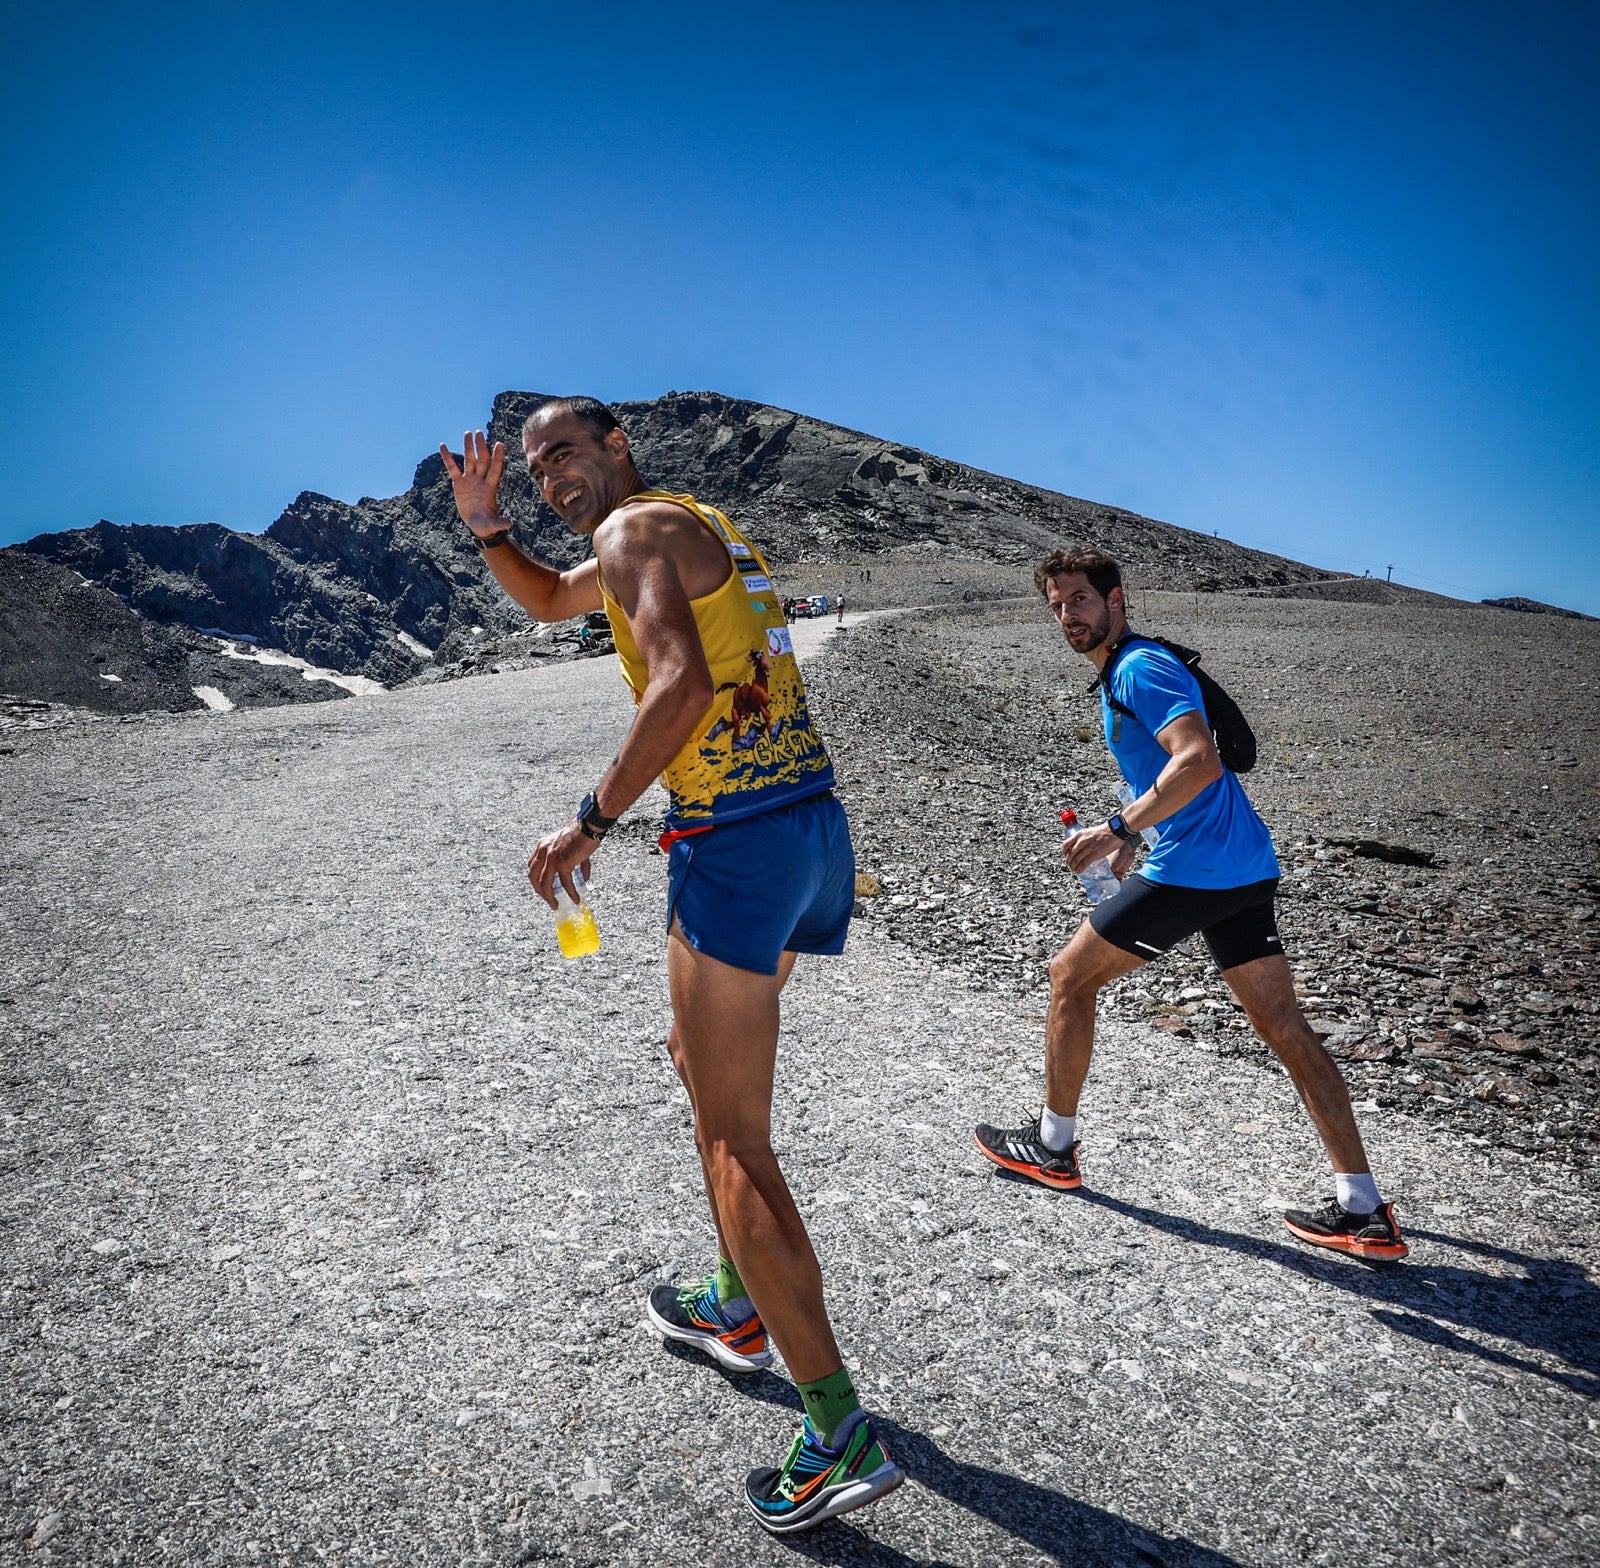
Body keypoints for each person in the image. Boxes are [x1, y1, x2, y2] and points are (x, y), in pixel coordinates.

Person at [439, 398, 903, 1532]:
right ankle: (735, 1302)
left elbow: (680, 685)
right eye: (537, 462)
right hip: (808, 830)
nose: (551, 473)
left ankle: (836, 1424)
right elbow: (552, 599)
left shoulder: (632, 530)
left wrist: (588, 821)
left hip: (733, 843)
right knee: (699, 1068)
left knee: (732, 1136)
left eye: (565, 452)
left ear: (617, 450)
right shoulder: (684, 524)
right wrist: (488, 525)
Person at [975, 548, 1408, 1263]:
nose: (1067, 616)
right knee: (1283, 1026)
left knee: (1068, 977)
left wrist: (1116, 828)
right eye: (1056, 605)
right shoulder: (1133, 668)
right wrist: (1134, 840)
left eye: (1080, 599)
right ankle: (1363, 1209)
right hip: (1241, 868)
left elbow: (1198, 760)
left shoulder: (1140, 667)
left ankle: (1052, 1148)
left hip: (1198, 874)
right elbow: (1179, 780)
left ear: (1118, 599)